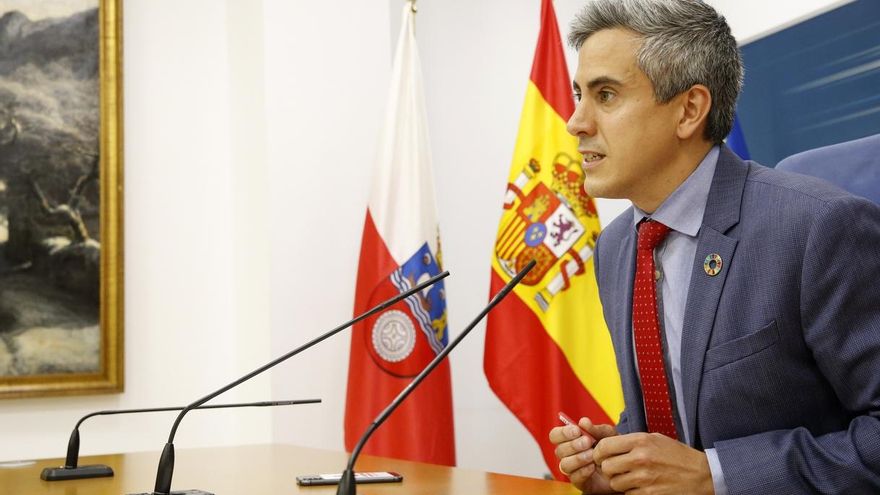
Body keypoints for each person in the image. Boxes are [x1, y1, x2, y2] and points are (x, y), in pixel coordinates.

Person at [547, 1, 880, 494]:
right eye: (580, 95)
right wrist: (621, 465)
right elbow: (685, 417)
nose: (576, 123)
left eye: (607, 95)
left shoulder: (817, 226)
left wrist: (716, 476)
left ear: (689, 110)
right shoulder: (616, 246)